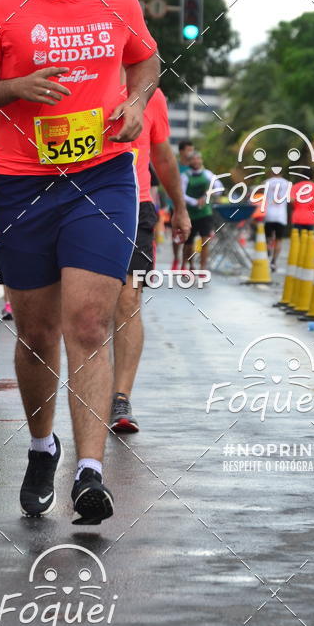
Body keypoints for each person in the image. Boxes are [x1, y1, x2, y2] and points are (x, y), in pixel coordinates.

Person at [0, 0, 159, 524]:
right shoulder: (0, 6)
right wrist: (16, 85)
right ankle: (43, 447)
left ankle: (89, 474)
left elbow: (146, 62)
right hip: (21, 183)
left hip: (100, 177)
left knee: (90, 323)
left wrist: (134, 101)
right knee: (37, 333)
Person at [110, 87, 190, 433]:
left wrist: (180, 208)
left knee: (128, 301)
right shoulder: (84, 78)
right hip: (80, 203)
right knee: (88, 307)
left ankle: (120, 398)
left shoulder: (152, 96)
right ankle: (88, 389)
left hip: (136, 205)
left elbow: (163, 157)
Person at [181, 151, 223, 270]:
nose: (195, 161)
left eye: (197, 159)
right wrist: (194, 201)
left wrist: (207, 196)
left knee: (205, 241)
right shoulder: (185, 176)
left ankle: (203, 268)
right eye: (193, 159)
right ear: (189, 162)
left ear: (201, 160)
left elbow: (219, 188)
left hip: (205, 212)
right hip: (190, 213)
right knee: (188, 243)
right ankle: (189, 265)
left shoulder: (208, 174)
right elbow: (181, 194)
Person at [263, 167, 291, 271]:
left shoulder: (266, 183)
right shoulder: (287, 183)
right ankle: (274, 262)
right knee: (278, 240)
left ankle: (268, 250)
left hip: (269, 214)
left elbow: (261, 197)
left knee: (268, 238)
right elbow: (290, 199)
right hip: (281, 215)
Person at [171, 140, 194, 269]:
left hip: (190, 206)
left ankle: (185, 263)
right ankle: (176, 259)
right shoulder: (175, 166)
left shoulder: (194, 167)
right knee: (176, 233)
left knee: (188, 235)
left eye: (192, 150)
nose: (191, 153)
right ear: (181, 151)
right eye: (188, 150)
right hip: (174, 204)